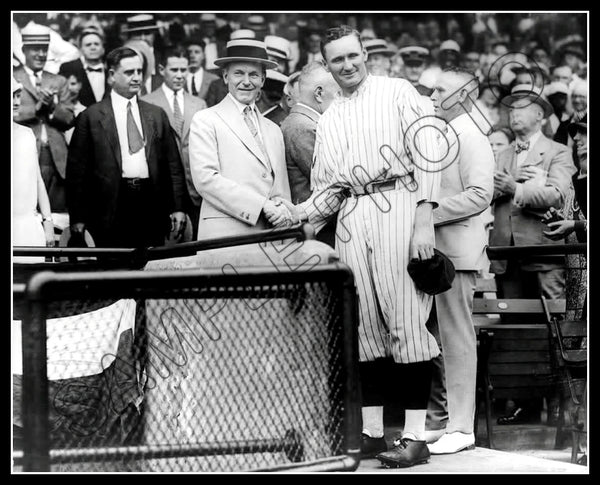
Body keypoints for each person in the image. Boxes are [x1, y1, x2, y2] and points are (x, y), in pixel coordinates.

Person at [273, 26, 442, 468]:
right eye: (336, 60)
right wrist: (300, 214)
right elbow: (329, 189)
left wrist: (424, 216)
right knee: (365, 327)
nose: (347, 65)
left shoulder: (397, 91)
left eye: (352, 56)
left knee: (406, 321)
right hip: (353, 212)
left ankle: (415, 437)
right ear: (326, 66)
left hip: (399, 201)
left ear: (365, 53)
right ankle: (370, 433)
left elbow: (428, 150)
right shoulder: (329, 116)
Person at [425, 67, 495, 454]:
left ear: (465, 96)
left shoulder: (471, 135)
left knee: (456, 339)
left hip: (457, 254)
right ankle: (446, 422)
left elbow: (480, 194)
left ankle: (462, 427)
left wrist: (424, 213)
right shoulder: (446, 133)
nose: (432, 96)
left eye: (441, 91)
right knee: (438, 340)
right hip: (438, 252)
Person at [66, 46, 187, 249]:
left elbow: (173, 165)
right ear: (112, 75)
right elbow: (77, 172)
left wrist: (178, 207)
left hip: (151, 203)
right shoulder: (92, 117)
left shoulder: (156, 114)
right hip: (110, 205)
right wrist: (77, 218)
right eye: (129, 72)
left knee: (151, 268)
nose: (137, 77)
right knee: (114, 270)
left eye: (139, 72)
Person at [187, 39, 292, 239]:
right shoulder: (206, 120)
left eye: (253, 74)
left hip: (272, 237)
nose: (246, 81)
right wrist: (262, 206)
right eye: (238, 73)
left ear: (263, 80)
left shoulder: (273, 129)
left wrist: (283, 214)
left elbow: (281, 188)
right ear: (225, 77)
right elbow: (206, 179)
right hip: (225, 236)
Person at [142, 46, 208, 241]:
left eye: (184, 70)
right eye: (174, 70)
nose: (180, 75)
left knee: (196, 242)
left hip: (195, 186)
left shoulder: (199, 103)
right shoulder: (147, 102)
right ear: (162, 70)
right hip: (163, 188)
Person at [13, 23, 74, 214]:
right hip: (23, 151)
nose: (41, 54)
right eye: (35, 49)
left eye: (44, 49)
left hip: (57, 157)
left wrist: (52, 107)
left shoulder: (58, 80)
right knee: (26, 207)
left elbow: (69, 119)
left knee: (58, 212)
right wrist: (37, 108)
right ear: (24, 50)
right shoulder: (13, 77)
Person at [280, 61, 339, 247]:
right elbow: (331, 182)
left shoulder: (300, 123)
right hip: (317, 231)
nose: (341, 99)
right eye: (338, 93)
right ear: (319, 94)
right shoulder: (305, 128)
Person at [12, 77, 55, 262]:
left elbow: (37, 181)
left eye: (17, 95)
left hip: (29, 228)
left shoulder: (27, 134)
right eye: (11, 96)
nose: (15, 102)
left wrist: (48, 222)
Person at [58, 28, 109, 107]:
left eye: (96, 44)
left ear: (103, 49)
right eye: (88, 45)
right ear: (81, 49)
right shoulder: (69, 68)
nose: (93, 48)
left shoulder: (112, 69)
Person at [185, 36, 219, 100]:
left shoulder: (214, 80)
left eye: (197, 52)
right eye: (189, 52)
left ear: (203, 56)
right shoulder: (180, 79)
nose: (192, 56)